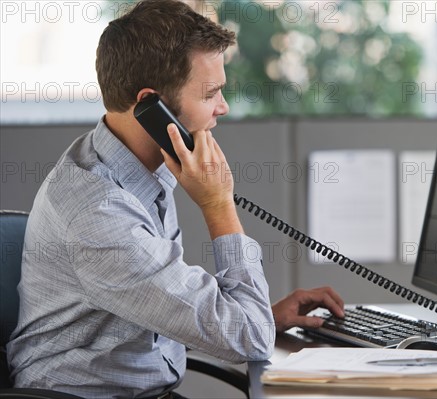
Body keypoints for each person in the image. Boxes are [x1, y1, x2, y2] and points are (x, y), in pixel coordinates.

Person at [6, 0, 345, 397]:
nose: (224, 106)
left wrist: (263, 316)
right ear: (153, 105)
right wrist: (218, 205)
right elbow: (250, 338)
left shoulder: (131, 165)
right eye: (211, 93)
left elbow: (157, 309)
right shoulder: (98, 214)